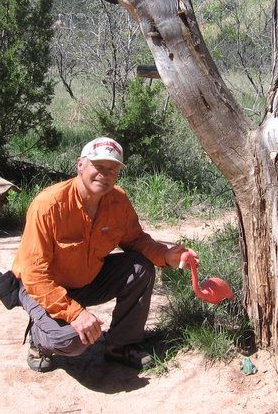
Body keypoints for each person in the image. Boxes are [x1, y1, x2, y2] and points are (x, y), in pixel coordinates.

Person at [11, 136, 190, 372]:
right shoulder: (49, 205)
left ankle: (120, 346)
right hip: (41, 289)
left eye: (112, 170)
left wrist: (165, 255)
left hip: (88, 280)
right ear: (80, 165)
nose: (105, 175)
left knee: (140, 268)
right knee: (72, 341)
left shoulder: (118, 201)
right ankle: (40, 338)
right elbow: (34, 275)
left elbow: (135, 239)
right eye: (99, 167)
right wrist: (75, 314)